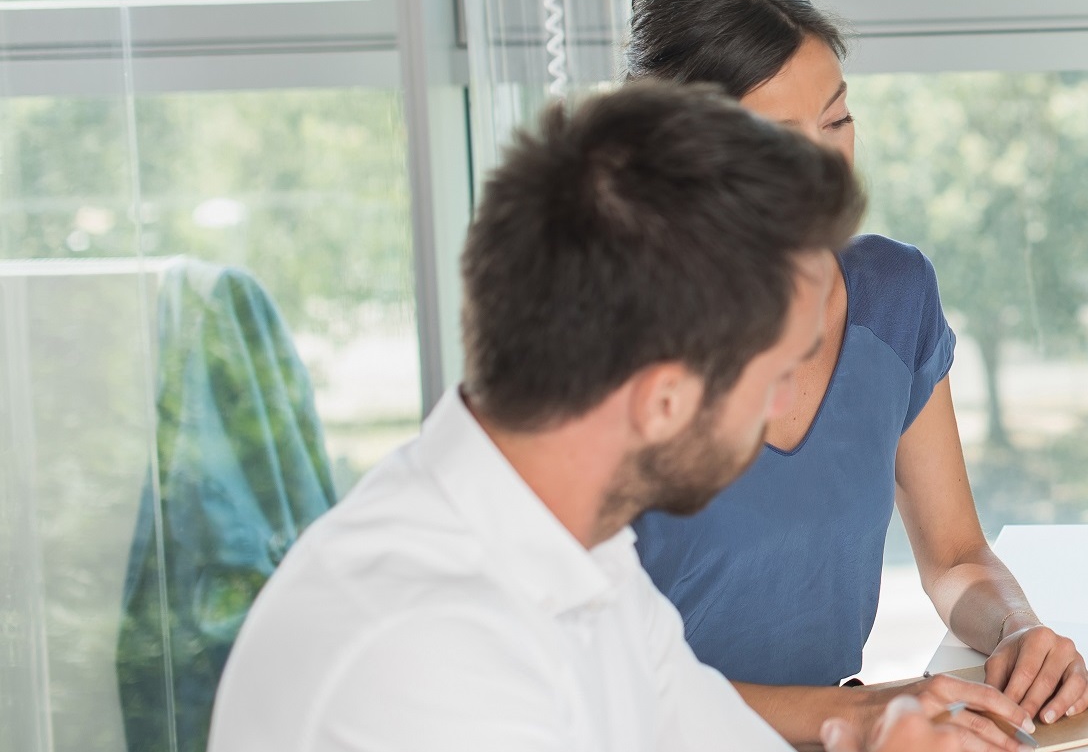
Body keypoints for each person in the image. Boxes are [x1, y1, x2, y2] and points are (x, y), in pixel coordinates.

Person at [206, 83, 1020, 752]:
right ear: (665, 398)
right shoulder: (423, 652)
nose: (788, 408)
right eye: (774, 373)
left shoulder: (578, 547)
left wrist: (872, 729)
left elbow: (699, 730)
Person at [621, 0, 1088, 743]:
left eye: (837, 122)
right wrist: (851, 712)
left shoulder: (893, 294)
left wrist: (1015, 629)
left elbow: (954, 554)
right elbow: (587, 673)